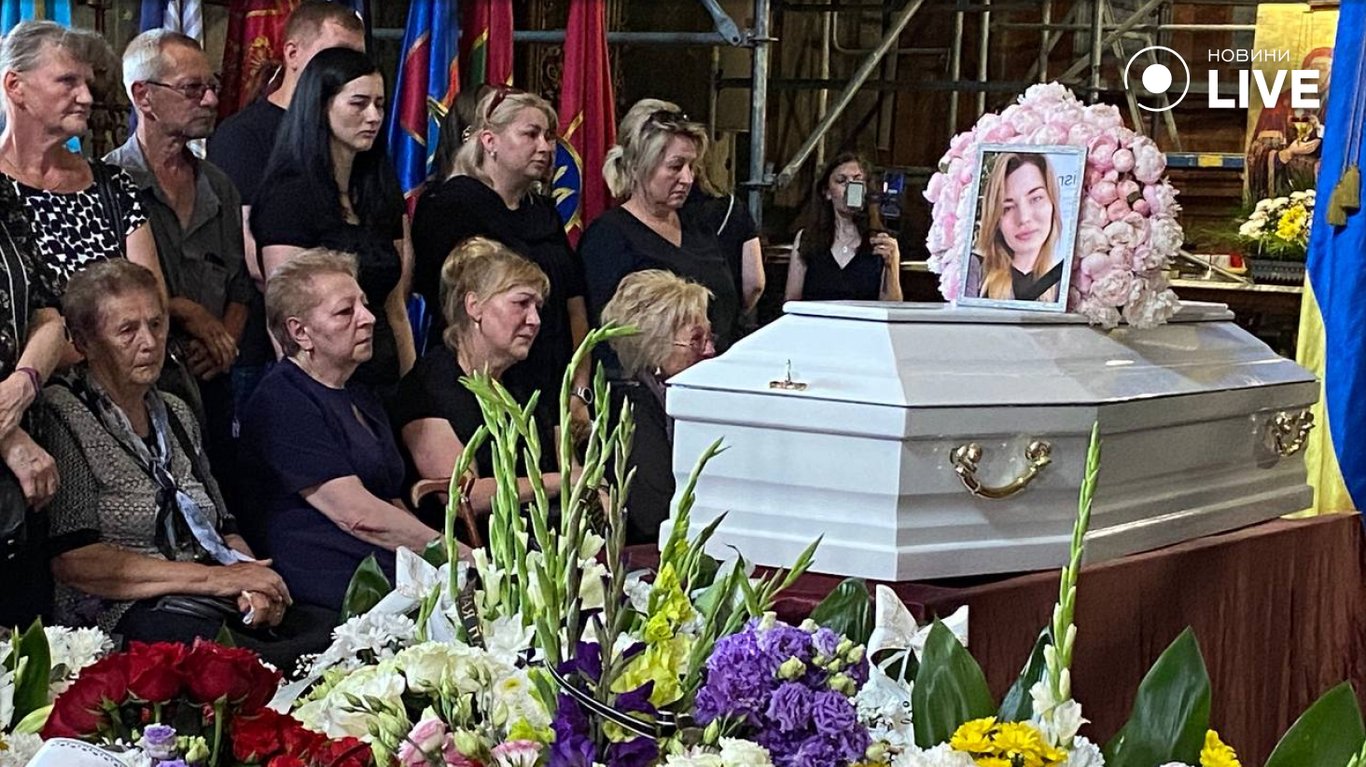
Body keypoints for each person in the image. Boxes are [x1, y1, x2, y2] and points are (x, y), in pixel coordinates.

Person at [41, 261, 328, 666]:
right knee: (249, 662)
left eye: (156, 325)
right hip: (123, 615)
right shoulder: (63, 411)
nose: (149, 342)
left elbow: (224, 526)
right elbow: (75, 561)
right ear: (85, 342)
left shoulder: (175, 410)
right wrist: (217, 579)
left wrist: (252, 583)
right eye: (127, 330)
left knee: (329, 632)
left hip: (206, 598)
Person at [240, 249, 445, 612]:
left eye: (364, 304)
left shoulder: (360, 395)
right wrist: (453, 554)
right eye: (345, 311)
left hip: (384, 569)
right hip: (330, 583)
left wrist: (439, 560)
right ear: (300, 332)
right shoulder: (283, 399)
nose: (369, 318)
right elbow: (357, 515)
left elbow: (390, 501)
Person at [107, 30, 251, 508]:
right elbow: (110, 295)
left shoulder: (219, 187)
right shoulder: (109, 184)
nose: (210, 100)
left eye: (212, 86)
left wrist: (223, 345)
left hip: (215, 385)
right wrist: (188, 312)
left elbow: (240, 286)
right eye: (192, 89)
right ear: (143, 97)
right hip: (142, 388)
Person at [206, 1, 365, 410]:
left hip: (353, 344)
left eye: (356, 58)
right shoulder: (243, 136)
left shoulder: (350, 136)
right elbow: (252, 253)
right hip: (273, 349)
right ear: (293, 54)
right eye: (334, 55)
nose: (347, 71)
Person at [251, 47, 414, 398]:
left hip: (385, 381)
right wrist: (314, 403)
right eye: (358, 103)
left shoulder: (378, 190)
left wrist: (415, 394)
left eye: (380, 104)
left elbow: (396, 308)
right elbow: (285, 320)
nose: (373, 116)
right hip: (324, 388)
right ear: (321, 106)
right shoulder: (288, 197)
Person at [412, 87, 589, 406]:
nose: (545, 147)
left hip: (554, 387)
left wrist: (579, 388)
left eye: (548, 136)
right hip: (482, 386)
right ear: (489, 141)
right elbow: (449, 305)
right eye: (531, 134)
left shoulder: (542, 212)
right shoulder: (450, 205)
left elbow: (575, 305)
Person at [394, 237, 565, 521]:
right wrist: (560, 483)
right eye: (521, 303)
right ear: (474, 306)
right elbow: (464, 496)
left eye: (537, 307)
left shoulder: (523, 383)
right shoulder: (428, 387)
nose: (535, 320)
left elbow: (566, 464)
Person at [0, 21, 171, 307]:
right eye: (68, 81)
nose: (87, 98)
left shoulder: (113, 185)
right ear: (15, 86)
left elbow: (154, 304)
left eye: (88, 84)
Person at [580, 99, 740, 355]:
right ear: (638, 166)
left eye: (691, 167)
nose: (687, 179)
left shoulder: (698, 227)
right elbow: (605, 335)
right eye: (675, 166)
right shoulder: (608, 237)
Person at [600, 270, 714, 545]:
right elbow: (653, 515)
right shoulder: (632, 409)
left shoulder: (680, 398)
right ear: (654, 345)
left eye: (710, 338)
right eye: (696, 340)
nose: (710, 350)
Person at [0, 180, 63, 627]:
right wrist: (8, 437)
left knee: (28, 644)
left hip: (24, 478)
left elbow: (50, 317)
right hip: (16, 448)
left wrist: (23, 385)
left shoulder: (4, 196)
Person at [784, 152, 902, 303]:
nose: (851, 187)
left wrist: (891, 266)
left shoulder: (881, 241)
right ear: (827, 192)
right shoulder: (808, 238)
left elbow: (892, 305)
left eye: (858, 180)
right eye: (841, 181)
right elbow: (792, 301)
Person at [964, 152, 1064, 303]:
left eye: (1036, 199)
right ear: (995, 218)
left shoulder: (1065, 278)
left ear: (1053, 203)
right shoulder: (975, 268)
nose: (1023, 218)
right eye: (1008, 208)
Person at [1245, 47, 1332, 198]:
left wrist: (1321, 134)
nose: (1319, 74)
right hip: (1285, 190)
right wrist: (1288, 153)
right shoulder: (1280, 103)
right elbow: (1257, 155)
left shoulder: (1344, 106)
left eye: (1325, 69)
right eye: (1315, 68)